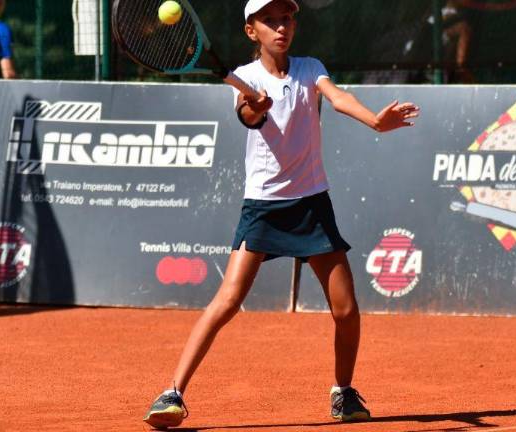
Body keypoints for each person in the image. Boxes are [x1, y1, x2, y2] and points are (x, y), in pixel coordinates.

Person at [143, 0, 420, 429]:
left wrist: (374, 121)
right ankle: (172, 393)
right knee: (228, 300)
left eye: (286, 18)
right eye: (269, 20)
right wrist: (258, 105)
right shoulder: (246, 79)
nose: (281, 27)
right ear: (251, 31)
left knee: (346, 311)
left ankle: (343, 393)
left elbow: (338, 96)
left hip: (311, 203)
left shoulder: (310, 68)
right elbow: (248, 116)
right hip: (264, 207)